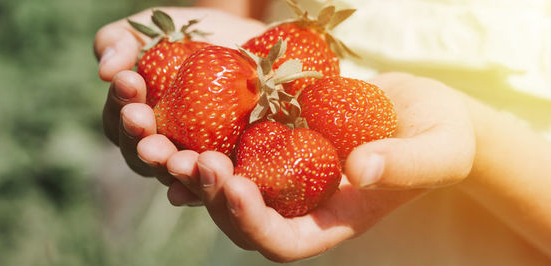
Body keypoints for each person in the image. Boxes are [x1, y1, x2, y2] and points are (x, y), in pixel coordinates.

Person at [94, 1, 551, 264]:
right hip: (262, 216)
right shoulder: (273, 105)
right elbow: (232, 14)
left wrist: (475, 139)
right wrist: (215, 40)